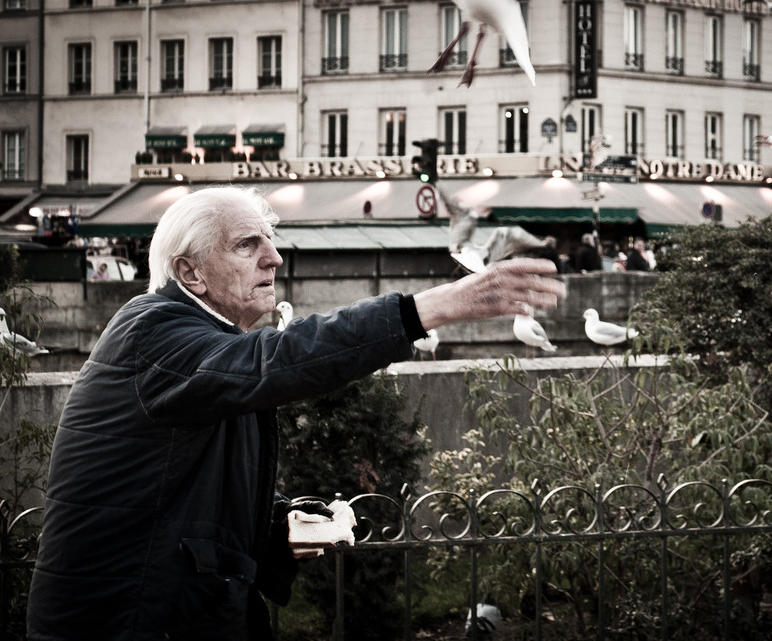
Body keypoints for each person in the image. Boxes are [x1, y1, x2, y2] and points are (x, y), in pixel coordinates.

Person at [26, 187, 565, 641]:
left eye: (271, 240)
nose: (274, 258)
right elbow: (283, 359)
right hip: (123, 623)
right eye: (247, 244)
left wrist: (281, 521)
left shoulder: (204, 345)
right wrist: (436, 307)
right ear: (190, 273)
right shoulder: (153, 333)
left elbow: (181, 491)